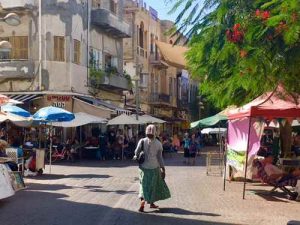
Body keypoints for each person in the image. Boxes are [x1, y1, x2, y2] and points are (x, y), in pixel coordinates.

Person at [134, 124, 171, 212]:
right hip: (154, 168)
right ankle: (151, 203)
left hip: (143, 168)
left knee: (143, 185)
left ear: (146, 132)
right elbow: (160, 158)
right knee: (153, 186)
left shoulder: (142, 141)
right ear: (155, 133)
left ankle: (142, 203)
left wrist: (136, 156)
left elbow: (136, 152)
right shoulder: (158, 143)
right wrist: (163, 168)